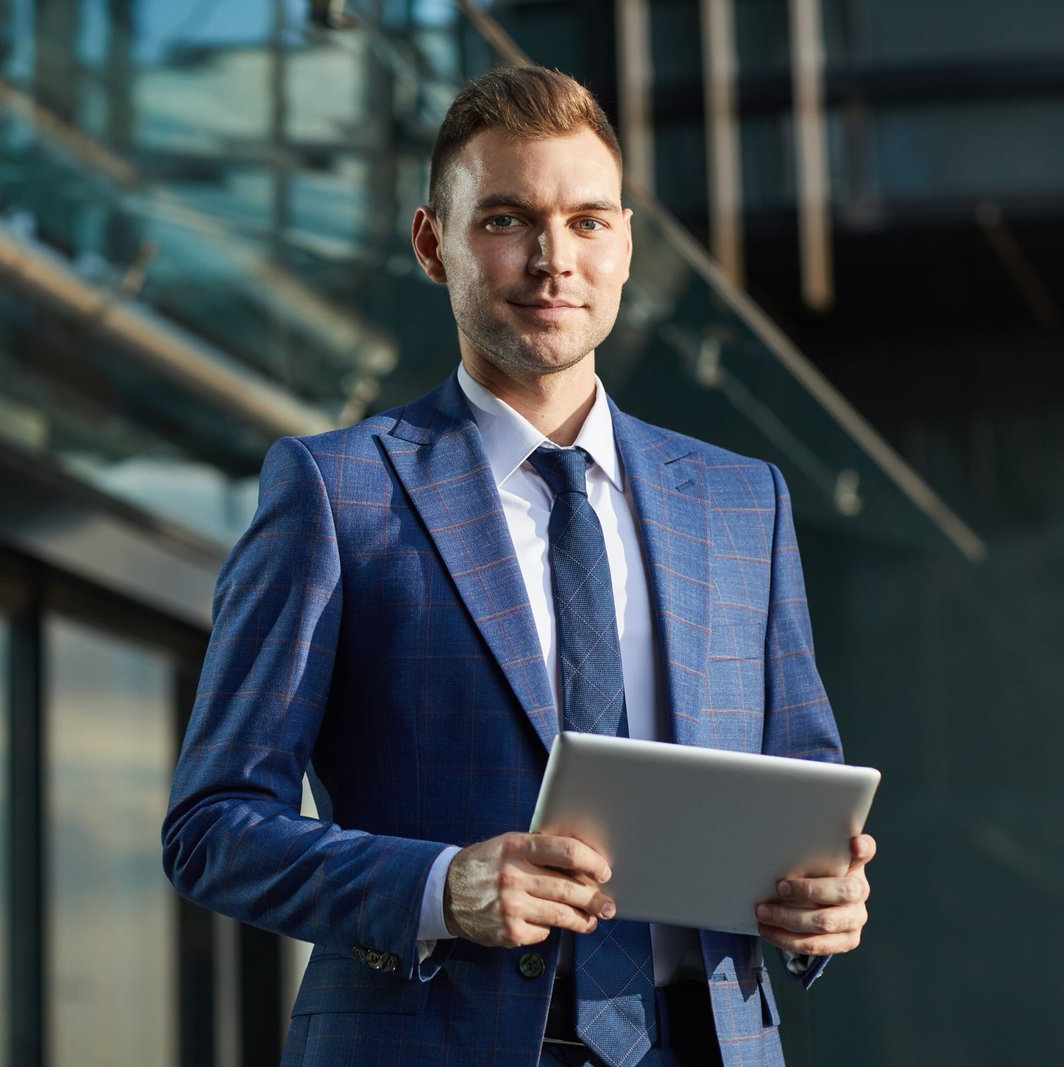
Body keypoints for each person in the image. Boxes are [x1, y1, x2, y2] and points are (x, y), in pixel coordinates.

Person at [162, 64, 874, 1067]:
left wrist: (824, 898)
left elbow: (802, 784)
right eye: (505, 220)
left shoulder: (739, 500)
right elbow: (212, 826)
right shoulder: (335, 490)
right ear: (431, 243)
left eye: (587, 221)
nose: (553, 260)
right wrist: (438, 886)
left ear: (623, 243)